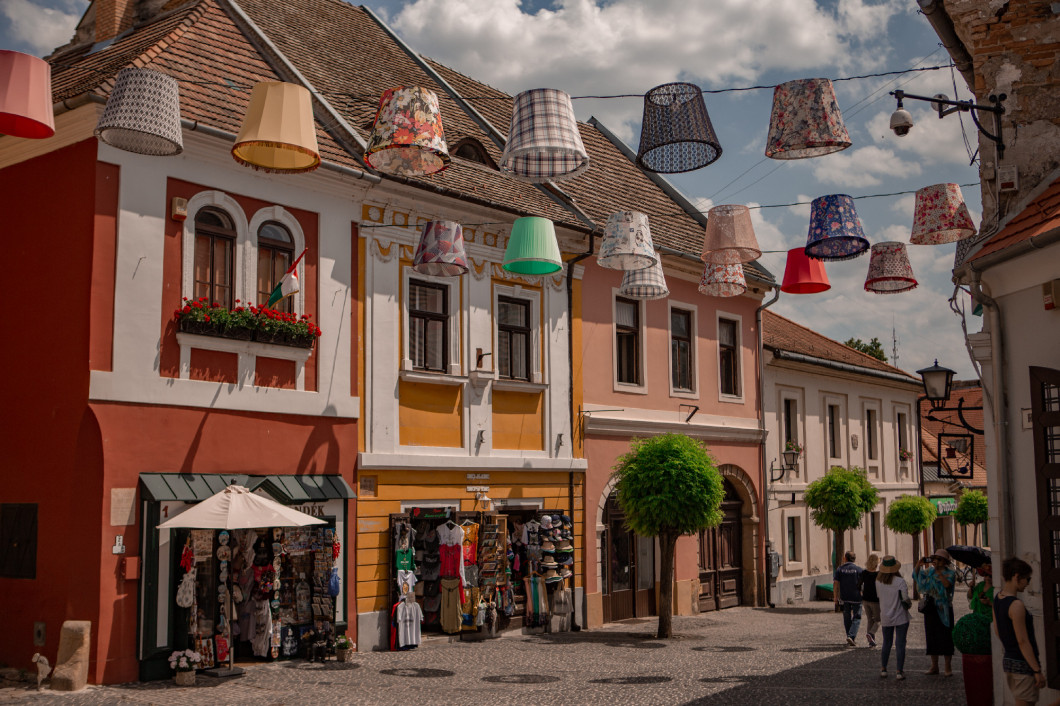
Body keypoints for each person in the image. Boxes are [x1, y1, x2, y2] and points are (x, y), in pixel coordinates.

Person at [994, 557, 1045, 706]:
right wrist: (1036, 670)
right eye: (1027, 579)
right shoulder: (1016, 605)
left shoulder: (998, 598)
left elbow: (998, 631)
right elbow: (1022, 641)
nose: (1027, 584)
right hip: (1023, 664)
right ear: (1017, 577)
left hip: (1009, 662)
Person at [914, 548, 956, 676]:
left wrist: (939, 573)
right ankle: (934, 666)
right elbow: (918, 578)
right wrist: (918, 566)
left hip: (944, 608)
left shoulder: (950, 573)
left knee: (946, 636)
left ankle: (948, 667)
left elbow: (947, 585)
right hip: (931, 606)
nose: (936, 561)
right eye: (935, 559)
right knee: (931, 635)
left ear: (944, 562)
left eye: (939, 559)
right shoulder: (929, 571)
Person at [875, 555, 911, 680]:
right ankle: (899, 671)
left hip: (885, 615)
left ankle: (883, 668)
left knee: (887, 643)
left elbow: (879, 597)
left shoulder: (878, 582)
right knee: (900, 644)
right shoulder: (900, 581)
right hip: (900, 615)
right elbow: (905, 598)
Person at [833, 551, 863, 646]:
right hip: (856, 597)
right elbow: (862, 584)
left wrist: (835, 597)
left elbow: (836, 584)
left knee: (846, 617)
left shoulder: (840, 569)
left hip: (844, 597)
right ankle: (851, 636)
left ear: (845, 558)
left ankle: (849, 635)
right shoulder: (859, 570)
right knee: (857, 617)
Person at [859, 553, 881, 648]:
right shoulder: (878, 574)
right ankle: (871, 634)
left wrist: (861, 593)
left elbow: (858, 584)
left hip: (865, 599)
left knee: (869, 620)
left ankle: (871, 641)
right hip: (875, 600)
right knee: (878, 620)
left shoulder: (864, 573)